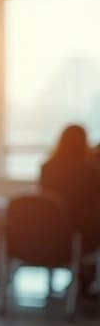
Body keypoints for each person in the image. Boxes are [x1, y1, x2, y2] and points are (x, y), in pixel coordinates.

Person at [40, 125, 100, 297]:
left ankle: (82, 279)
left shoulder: (47, 167)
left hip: (50, 231)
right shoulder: (88, 169)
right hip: (78, 229)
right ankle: (86, 281)